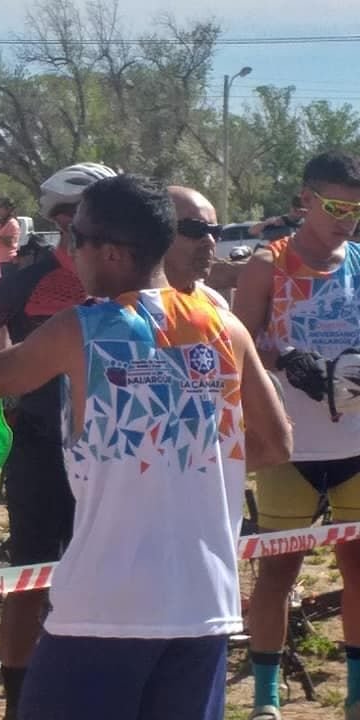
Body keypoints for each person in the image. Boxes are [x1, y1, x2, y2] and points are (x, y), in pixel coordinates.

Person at [0, 173, 292, 720]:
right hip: (205, 608)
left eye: (75, 238)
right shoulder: (226, 329)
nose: (70, 251)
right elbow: (276, 444)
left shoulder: (82, 328)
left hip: (104, 608)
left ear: (111, 252)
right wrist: (190, 461)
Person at [0, 161, 115, 720]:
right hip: (41, 449)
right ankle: (18, 705)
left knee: (101, 574)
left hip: (111, 453)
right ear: (63, 220)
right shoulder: (29, 278)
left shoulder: (130, 280)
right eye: (79, 217)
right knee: (28, 578)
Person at [234, 151, 360, 720]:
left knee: (358, 573)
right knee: (277, 574)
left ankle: (356, 694)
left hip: (355, 445)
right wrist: (285, 357)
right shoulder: (269, 264)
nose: (346, 220)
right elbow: (238, 343)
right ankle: (266, 699)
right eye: (336, 207)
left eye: (356, 210)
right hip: (288, 448)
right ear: (306, 199)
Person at [165, 186, 230, 310]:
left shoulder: (215, 305)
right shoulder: (129, 308)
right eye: (195, 229)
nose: (210, 241)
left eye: (215, 232)